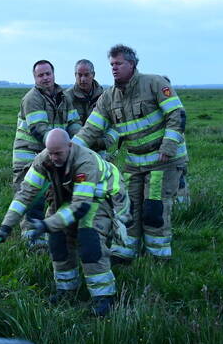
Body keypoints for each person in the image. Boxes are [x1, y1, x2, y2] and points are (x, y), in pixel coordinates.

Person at [73, 44, 187, 260]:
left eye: (119, 63)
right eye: (112, 64)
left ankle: (158, 257)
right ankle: (125, 251)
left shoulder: (155, 83)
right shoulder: (108, 98)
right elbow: (90, 129)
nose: (114, 68)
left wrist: (168, 147)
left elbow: (177, 115)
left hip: (162, 162)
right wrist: (68, 151)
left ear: (132, 64)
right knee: (128, 207)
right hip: (135, 163)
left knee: (154, 210)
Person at [0, 129, 122, 317]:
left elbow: (81, 207)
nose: (54, 157)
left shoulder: (85, 161)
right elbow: (25, 194)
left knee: (89, 241)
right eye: (50, 152)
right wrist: (6, 227)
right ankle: (66, 291)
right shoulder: (43, 159)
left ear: (70, 146)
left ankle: (104, 296)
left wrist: (46, 225)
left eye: (58, 153)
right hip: (67, 196)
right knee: (57, 241)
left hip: (98, 197)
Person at [10, 60, 81, 242]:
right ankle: (32, 240)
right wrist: (63, 147)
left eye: (48, 73)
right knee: (33, 198)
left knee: (55, 195)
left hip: (52, 154)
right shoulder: (31, 98)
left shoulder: (64, 97)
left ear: (53, 74)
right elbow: (39, 129)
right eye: (40, 75)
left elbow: (74, 123)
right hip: (30, 156)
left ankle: (52, 235)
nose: (45, 78)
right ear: (35, 78)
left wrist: (78, 144)